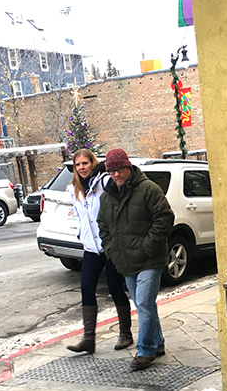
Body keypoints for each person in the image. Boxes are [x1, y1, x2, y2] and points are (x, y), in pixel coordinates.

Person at [98, 148, 174, 370]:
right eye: (112, 171)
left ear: (128, 167)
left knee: (143, 302)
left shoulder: (148, 189)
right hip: (126, 260)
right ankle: (157, 343)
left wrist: (146, 247)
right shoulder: (106, 197)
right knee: (144, 304)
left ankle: (145, 350)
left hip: (150, 258)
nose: (116, 175)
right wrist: (111, 249)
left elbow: (165, 218)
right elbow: (103, 226)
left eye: (120, 169)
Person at [66, 148, 133, 354]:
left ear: (92, 163)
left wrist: (103, 169)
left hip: (109, 245)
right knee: (86, 288)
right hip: (90, 247)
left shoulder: (103, 182)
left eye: (85, 163)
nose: (82, 168)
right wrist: (81, 234)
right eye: (78, 165)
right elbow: (79, 216)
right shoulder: (73, 188)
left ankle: (125, 333)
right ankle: (88, 338)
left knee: (115, 287)